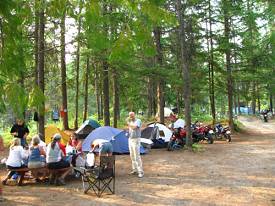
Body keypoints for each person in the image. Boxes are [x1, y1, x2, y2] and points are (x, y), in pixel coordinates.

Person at [127, 112, 144, 178]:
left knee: (137, 155)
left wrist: (128, 124)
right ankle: (135, 169)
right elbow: (131, 129)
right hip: (130, 139)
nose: (131, 117)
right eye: (130, 116)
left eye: (132, 115)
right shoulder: (130, 121)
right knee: (132, 155)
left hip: (136, 139)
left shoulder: (138, 121)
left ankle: (140, 171)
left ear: (134, 115)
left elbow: (134, 128)